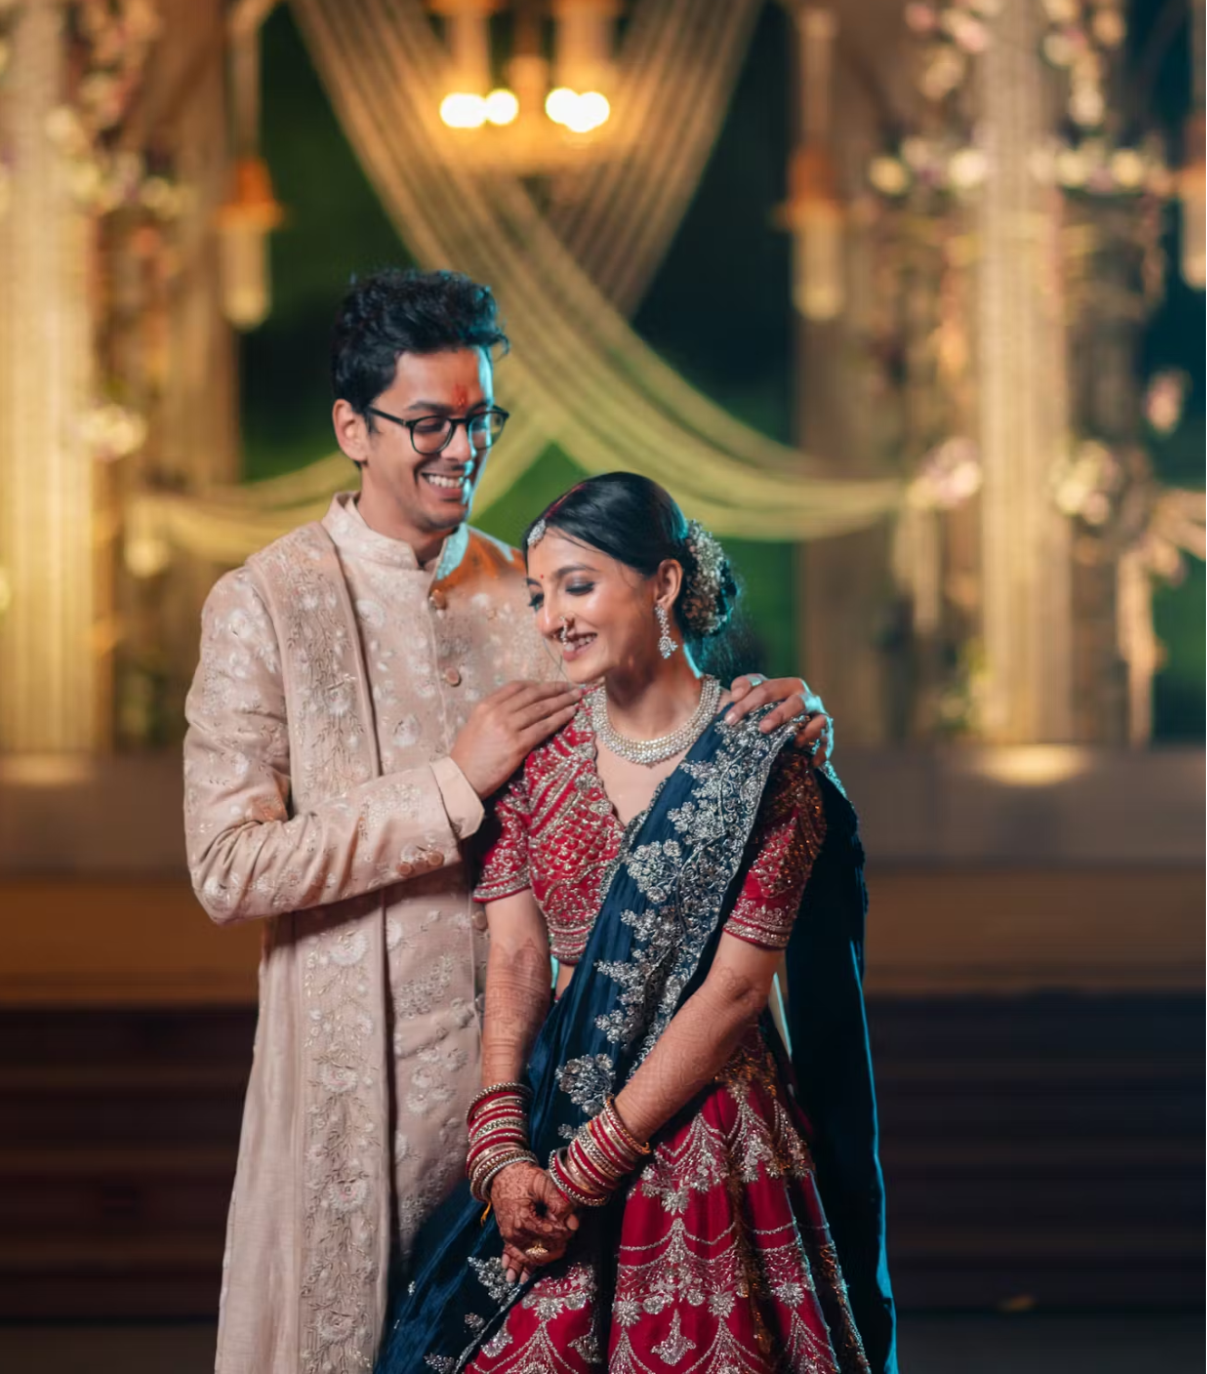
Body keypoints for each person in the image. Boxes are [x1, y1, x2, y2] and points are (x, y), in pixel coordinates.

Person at [184, 269, 834, 1374]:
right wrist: (450, 783)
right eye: (430, 422)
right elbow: (225, 866)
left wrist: (786, 713)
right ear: (352, 425)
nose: (462, 447)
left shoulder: (532, 590)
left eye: (481, 417)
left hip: (549, 1076)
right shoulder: (263, 601)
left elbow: (656, 747)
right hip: (355, 1078)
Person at [378, 473, 896, 1374]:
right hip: (548, 1117)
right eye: (539, 594)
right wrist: (502, 1144)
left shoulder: (764, 758)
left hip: (709, 1137)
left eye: (576, 586)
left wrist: (584, 1170)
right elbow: (515, 954)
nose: (550, 619)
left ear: (661, 584)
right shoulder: (534, 756)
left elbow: (737, 992)